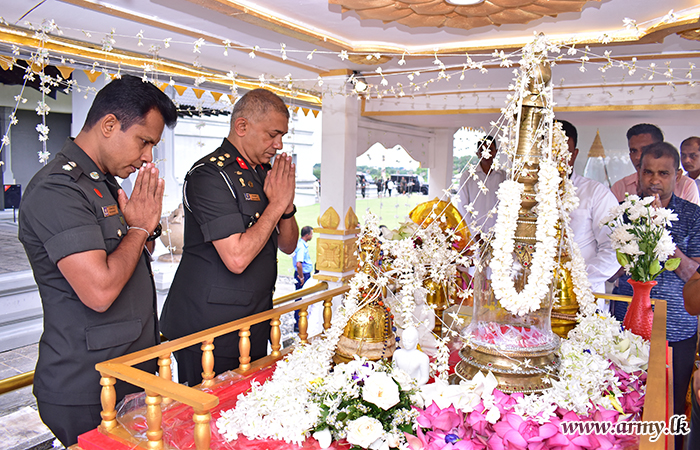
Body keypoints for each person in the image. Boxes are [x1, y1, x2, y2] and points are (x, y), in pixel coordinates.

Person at [17, 75, 177, 447]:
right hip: (87, 384)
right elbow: (100, 291)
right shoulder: (58, 189)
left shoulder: (102, 182)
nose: (148, 156)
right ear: (108, 125)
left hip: (124, 371)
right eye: (144, 141)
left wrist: (143, 230)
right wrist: (138, 228)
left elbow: (132, 255)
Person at [160, 88, 299, 387]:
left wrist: (286, 207)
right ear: (242, 126)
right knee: (210, 408)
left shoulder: (264, 172)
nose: (279, 144)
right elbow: (237, 258)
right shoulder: (210, 175)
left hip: (254, 318)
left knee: (248, 403)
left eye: (282, 136)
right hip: (210, 327)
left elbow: (288, 245)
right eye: (273, 134)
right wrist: (275, 205)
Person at [614, 142, 700, 450]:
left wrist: (661, 235)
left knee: (670, 410)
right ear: (638, 173)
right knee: (622, 405)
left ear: (677, 175)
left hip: (677, 330)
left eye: (663, 173)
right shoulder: (623, 214)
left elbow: (693, 275)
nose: (654, 180)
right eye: (648, 172)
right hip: (627, 328)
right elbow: (609, 270)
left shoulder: (693, 216)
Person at [558, 121, 619, 304]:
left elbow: (614, 249)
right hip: (535, 297)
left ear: (575, 154)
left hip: (583, 294)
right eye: (551, 152)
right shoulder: (528, 194)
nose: (557, 158)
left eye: (564, 152)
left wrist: (576, 282)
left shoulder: (596, 193)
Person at [611, 124, 699, 204]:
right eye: (633, 151)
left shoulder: (686, 185)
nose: (638, 157)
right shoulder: (620, 187)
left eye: (645, 150)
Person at [457, 135, 506, 239]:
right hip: (473, 236)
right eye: (483, 150)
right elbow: (462, 206)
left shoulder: (503, 176)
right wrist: (475, 233)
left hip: (499, 235)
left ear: (496, 152)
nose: (487, 153)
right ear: (478, 153)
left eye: (490, 149)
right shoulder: (468, 176)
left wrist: (500, 232)